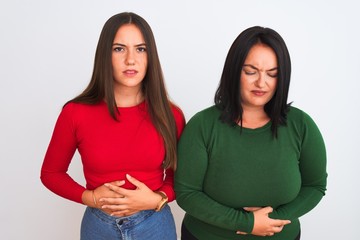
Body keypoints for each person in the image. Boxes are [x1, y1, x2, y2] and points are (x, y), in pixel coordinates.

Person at [41, 12, 185, 240]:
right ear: (105, 55)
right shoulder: (75, 113)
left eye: (141, 49)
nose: (131, 59)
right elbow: (51, 173)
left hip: (154, 225)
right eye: (119, 48)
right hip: (98, 227)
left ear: (150, 56)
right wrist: (91, 198)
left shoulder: (171, 115)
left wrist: (157, 199)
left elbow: (183, 179)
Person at [174, 26, 327, 240]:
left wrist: (274, 219)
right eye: (251, 71)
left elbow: (315, 186)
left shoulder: (301, 125)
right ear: (234, 71)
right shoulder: (202, 125)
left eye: (272, 74)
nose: (261, 83)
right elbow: (187, 193)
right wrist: (248, 223)